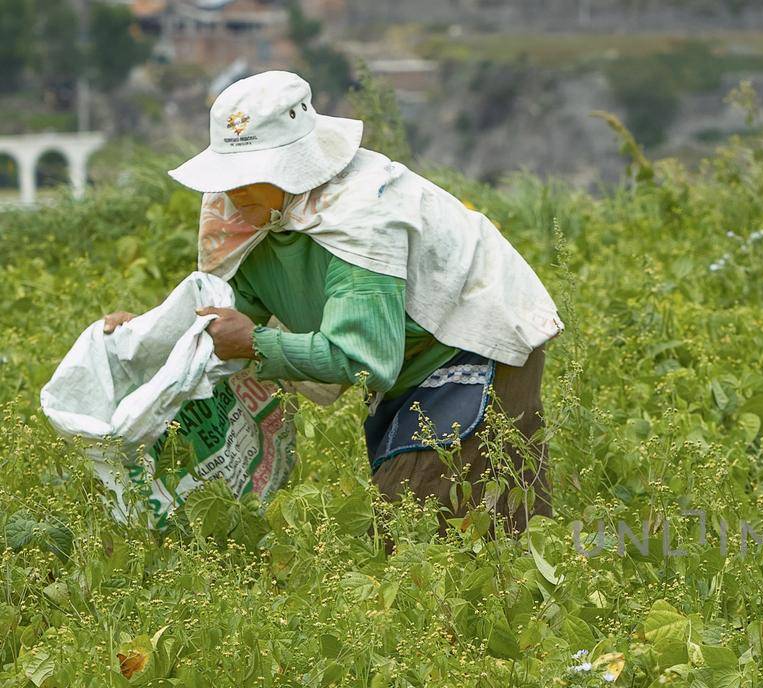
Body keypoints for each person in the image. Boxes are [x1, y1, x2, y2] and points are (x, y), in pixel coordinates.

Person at [102, 71, 562, 534]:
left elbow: (364, 360)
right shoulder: (254, 219)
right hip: (412, 361)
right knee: (453, 531)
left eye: (250, 175)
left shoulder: (359, 218)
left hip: (476, 343)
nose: (234, 190)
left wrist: (256, 344)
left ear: (294, 166)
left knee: (428, 527)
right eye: (230, 176)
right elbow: (221, 314)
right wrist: (145, 333)